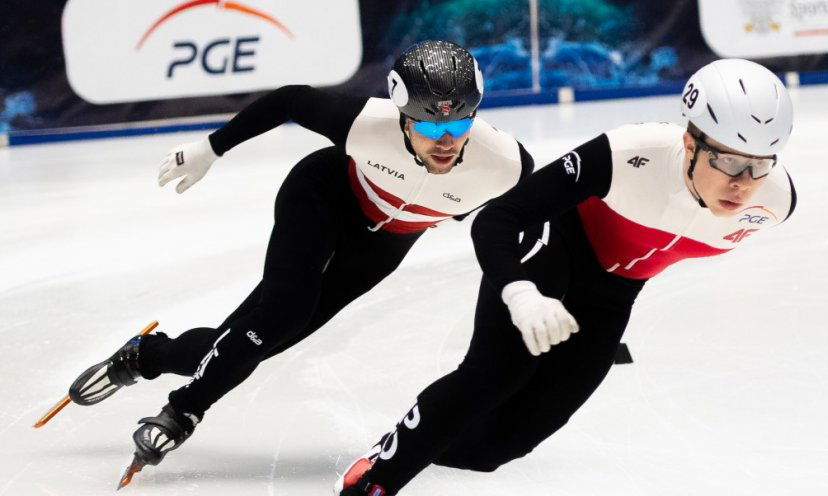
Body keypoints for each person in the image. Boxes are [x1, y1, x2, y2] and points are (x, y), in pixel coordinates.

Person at [65, 40, 533, 484]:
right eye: (430, 127)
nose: (446, 141)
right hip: (322, 198)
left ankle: (146, 355)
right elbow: (289, 100)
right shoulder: (364, 123)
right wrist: (212, 147)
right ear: (402, 117)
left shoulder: (507, 166)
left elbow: (543, 222)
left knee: (245, 344)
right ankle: (182, 412)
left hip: (384, 246)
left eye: (459, 124)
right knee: (280, 316)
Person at [335, 58, 798, 496]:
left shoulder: (773, 203)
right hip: (554, 249)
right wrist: (520, 292)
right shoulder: (629, 153)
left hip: (612, 296)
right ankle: (377, 476)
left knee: (496, 447)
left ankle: (424, 434)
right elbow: (499, 218)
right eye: (729, 162)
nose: (742, 182)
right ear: (691, 143)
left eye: (759, 165)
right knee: (495, 375)